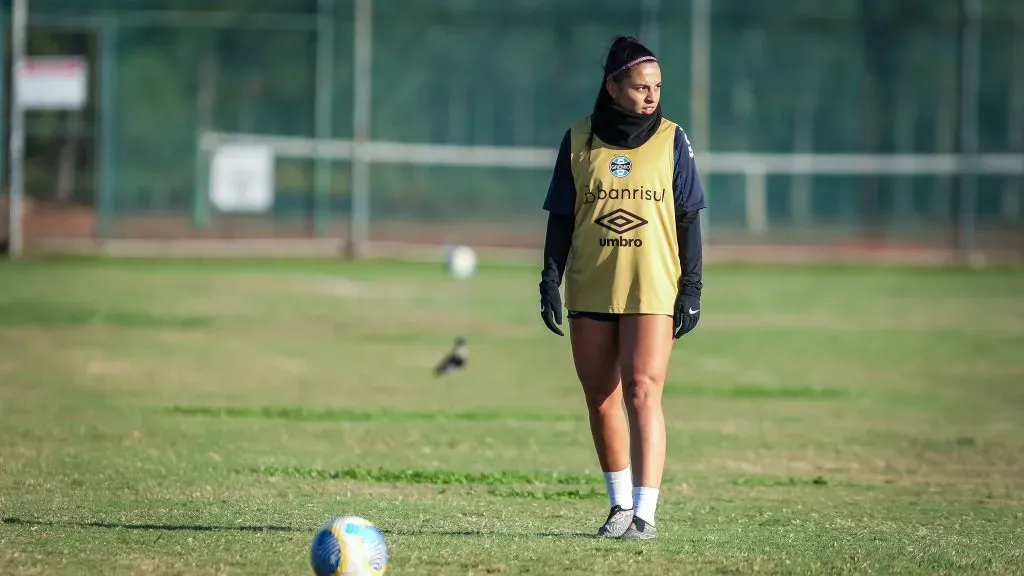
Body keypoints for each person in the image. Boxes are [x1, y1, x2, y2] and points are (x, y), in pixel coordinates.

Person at [537, 35, 706, 540]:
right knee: (602, 397)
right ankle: (618, 507)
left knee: (642, 390)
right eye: (639, 87)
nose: (650, 96)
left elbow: (689, 218)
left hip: (653, 287)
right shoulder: (579, 140)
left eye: (656, 87)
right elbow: (562, 219)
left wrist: (692, 288)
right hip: (592, 286)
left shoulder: (673, 139)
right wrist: (550, 280)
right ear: (612, 87)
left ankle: (646, 514)